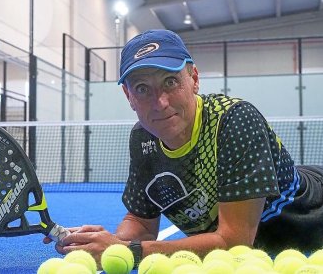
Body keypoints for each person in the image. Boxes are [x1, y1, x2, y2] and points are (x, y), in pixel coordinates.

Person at [44, 29, 323, 265]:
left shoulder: (234, 120)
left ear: (194, 79)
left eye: (170, 82)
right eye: (142, 88)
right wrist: (107, 244)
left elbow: (234, 241)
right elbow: (141, 223)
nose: (160, 102)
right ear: (128, 95)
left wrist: (131, 251)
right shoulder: (143, 140)